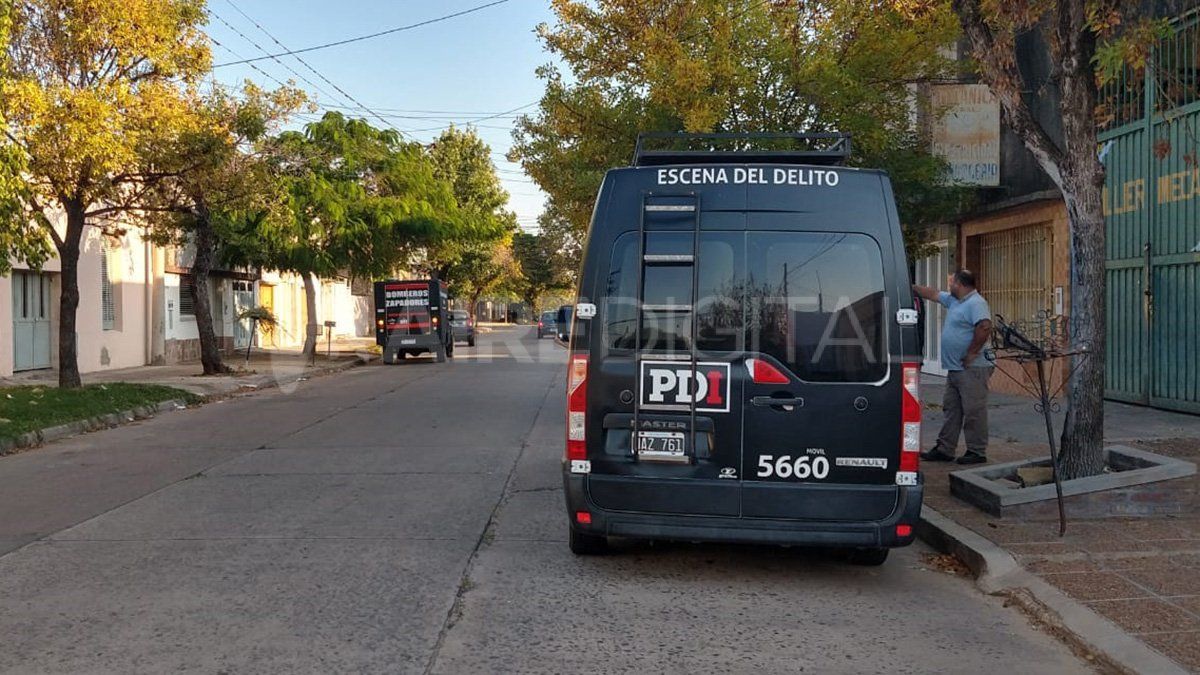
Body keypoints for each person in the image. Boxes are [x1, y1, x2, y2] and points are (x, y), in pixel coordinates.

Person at [912, 269, 994, 465]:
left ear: (961, 284)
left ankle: (976, 451)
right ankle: (945, 448)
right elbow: (932, 294)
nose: (949, 287)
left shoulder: (976, 303)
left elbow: (984, 326)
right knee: (951, 409)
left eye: (952, 283)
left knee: (973, 410)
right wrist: (908, 286)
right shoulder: (955, 301)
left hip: (973, 368)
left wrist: (972, 353)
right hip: (956, 368)